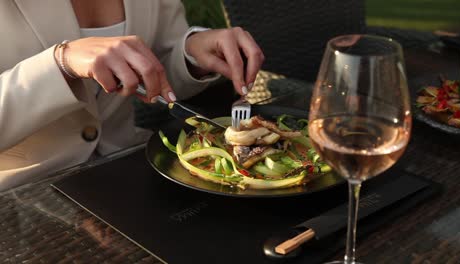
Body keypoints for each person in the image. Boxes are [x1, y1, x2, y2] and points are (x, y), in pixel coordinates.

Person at [0, 0, 264, 191]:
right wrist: (61, 63)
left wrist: (190, 55)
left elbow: (155, 74)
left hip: (132, 169)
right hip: (25, 195)